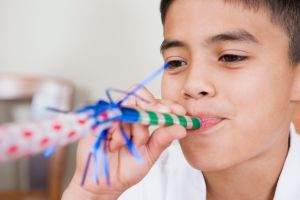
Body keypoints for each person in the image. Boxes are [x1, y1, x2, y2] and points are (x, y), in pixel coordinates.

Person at [62, 0, 300, 199]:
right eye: (176, 62)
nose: (192, 85)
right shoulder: (137, 186)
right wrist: (91, 194)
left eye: (231, 57)